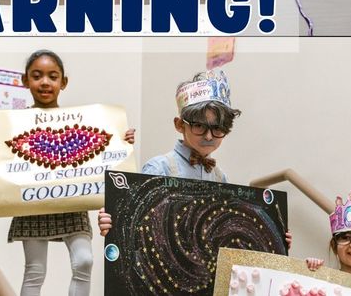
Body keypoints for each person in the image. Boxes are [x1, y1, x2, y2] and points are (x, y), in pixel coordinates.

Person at [0, 50, 135, 296]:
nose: (44, 82)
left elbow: (104, 149)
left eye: (52, 76)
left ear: (63, 82)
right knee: (35, 271)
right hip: (32, 204)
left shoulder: (84, 123)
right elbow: (5, 156)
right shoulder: (12, 125)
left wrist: (121, 140)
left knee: (84, 261)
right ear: (25, 80)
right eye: (37, 76)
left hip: (73, 204)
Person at [97, 71, 292, 247]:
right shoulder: (160, 167)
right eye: (199, 126)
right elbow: (138, 222)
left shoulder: (220, 178)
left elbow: (226, 228)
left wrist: (272, 237)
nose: (208, 136)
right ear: (180, 125)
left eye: (217, 129)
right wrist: (113, 222)